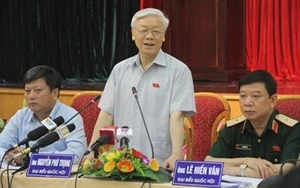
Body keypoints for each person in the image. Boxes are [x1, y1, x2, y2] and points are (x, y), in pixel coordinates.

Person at [87, 8, 196, 171]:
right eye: (144, 31)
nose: (149, 36)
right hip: (120, 161)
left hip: (157, 162)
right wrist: (91, 150)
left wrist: (176, 154)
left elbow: (177, 116)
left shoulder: (178, 71)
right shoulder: (120, 70)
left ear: (164, 36)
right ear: (133, 34)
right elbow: (107, 113)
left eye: (156, 31)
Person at [205, 70, 300, 178]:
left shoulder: (292, 129)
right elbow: (209, 164)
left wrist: (239, 170)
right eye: (243, 96)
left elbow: (287, 170)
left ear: (272, 100)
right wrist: (246, 162)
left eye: (255, 96)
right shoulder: (232, 128)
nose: (247, 103)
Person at [0, 65, 87, 165]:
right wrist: (10, 155)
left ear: (54, 93)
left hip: (55, 179)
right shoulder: (21, 116)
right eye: (27, 91)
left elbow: (77, 156)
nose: (31, 96)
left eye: (38, 91)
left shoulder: (70, 117)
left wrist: (31, 159)